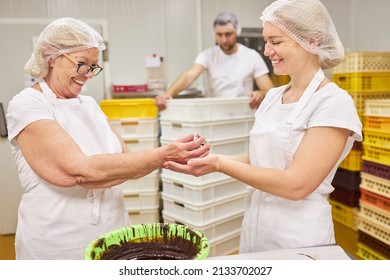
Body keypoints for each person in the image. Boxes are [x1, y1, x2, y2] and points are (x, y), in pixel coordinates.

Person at [163, 0, 363, 253]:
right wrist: (206, 159)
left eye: (276, 42)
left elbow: (296, 184)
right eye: (266, 41)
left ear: (311, 41)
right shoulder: (272, 97)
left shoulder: (333, 103)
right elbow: (258, 158)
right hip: (256, 228)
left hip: (298, 238)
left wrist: (220, 165)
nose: (267, 51)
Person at [6, 17, 210, 260]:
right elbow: (79, 171)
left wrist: (176, 158)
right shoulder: (28, 104)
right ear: (52, 57)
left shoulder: (89, 104)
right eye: (83, 64)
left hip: (113, 234)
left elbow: (126, 161)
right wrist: (162, 154)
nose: (89, 74)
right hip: (58, 240)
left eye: (94, 66)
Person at [155, 12, 274, 111]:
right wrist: (167, 94)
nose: (224, 39)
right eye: (219, 35)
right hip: (217, 113)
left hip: (244, 114)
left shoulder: (251, 56)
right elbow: (189, 76)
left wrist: (260, 94)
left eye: (228, 34)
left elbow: (269, 90)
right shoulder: (208, 55)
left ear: (236, 32)